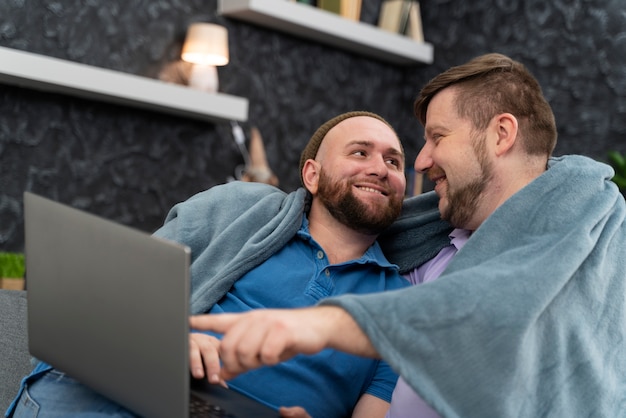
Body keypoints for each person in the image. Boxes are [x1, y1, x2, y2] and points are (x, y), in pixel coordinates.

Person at [189, 53, 626, 417]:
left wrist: (326, 323)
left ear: (502, 133)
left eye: (437, 137)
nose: (420, 161)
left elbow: (498, 306)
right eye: (360, 153)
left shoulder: (580, 234)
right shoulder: (424, 254)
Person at [6, 111, 413, 418]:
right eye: (360, 152)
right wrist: (168, 338)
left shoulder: (402, 305)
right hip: (144, 384)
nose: (379, 168)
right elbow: (114, 297)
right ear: (312, 174)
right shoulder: (238, 208)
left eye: (394, 162)